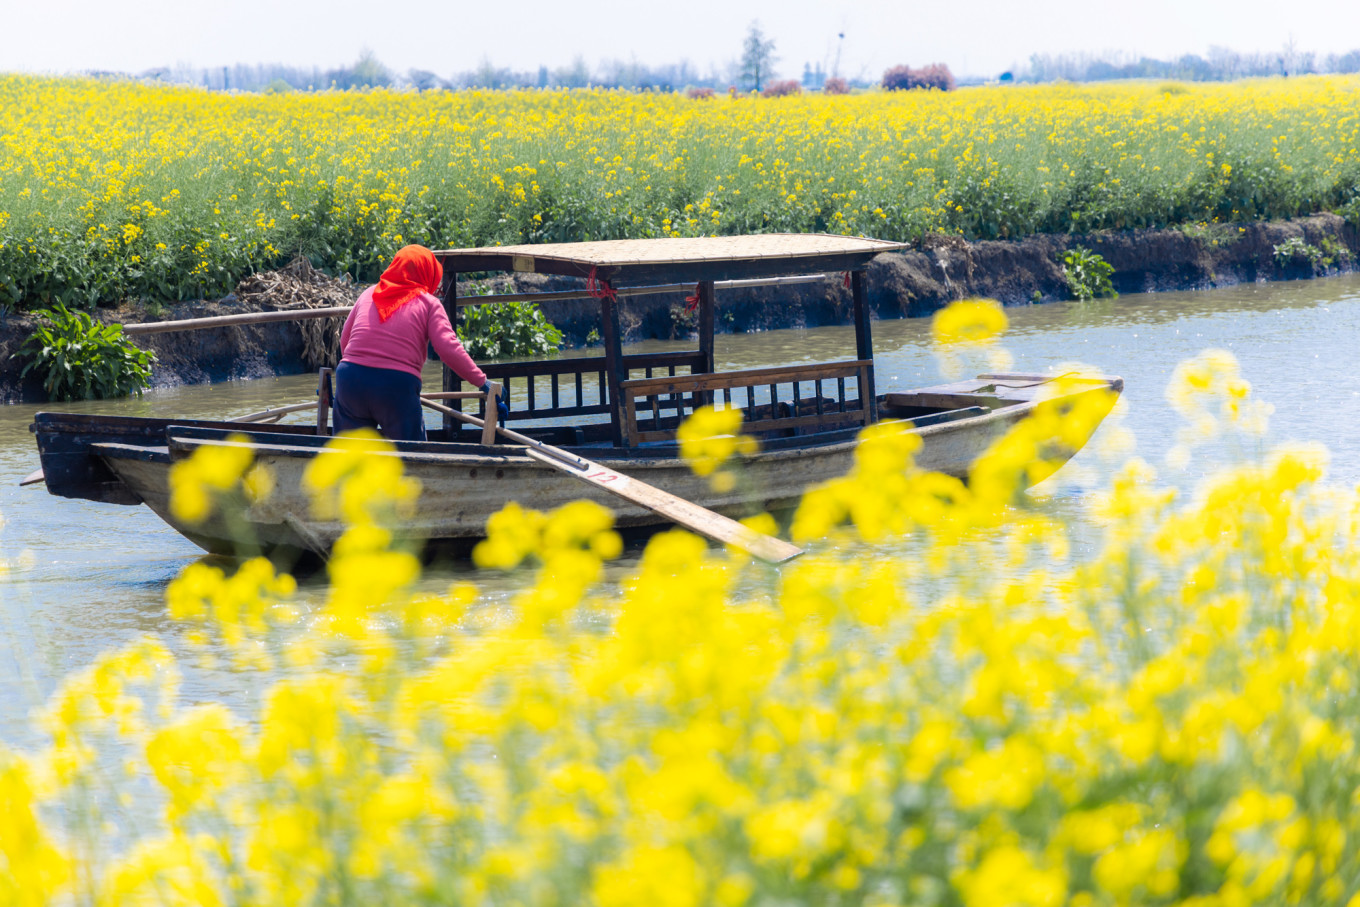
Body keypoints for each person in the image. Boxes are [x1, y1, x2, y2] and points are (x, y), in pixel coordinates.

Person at [333, 244, 508, 441]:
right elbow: (448, 348)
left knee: (348, 451)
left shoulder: (368, 293)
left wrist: (351, 383)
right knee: (412, 452)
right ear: (427, 274)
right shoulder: (428, 303)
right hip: (396, 384)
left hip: (350, 377)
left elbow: (345, 340)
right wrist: (482, 382)